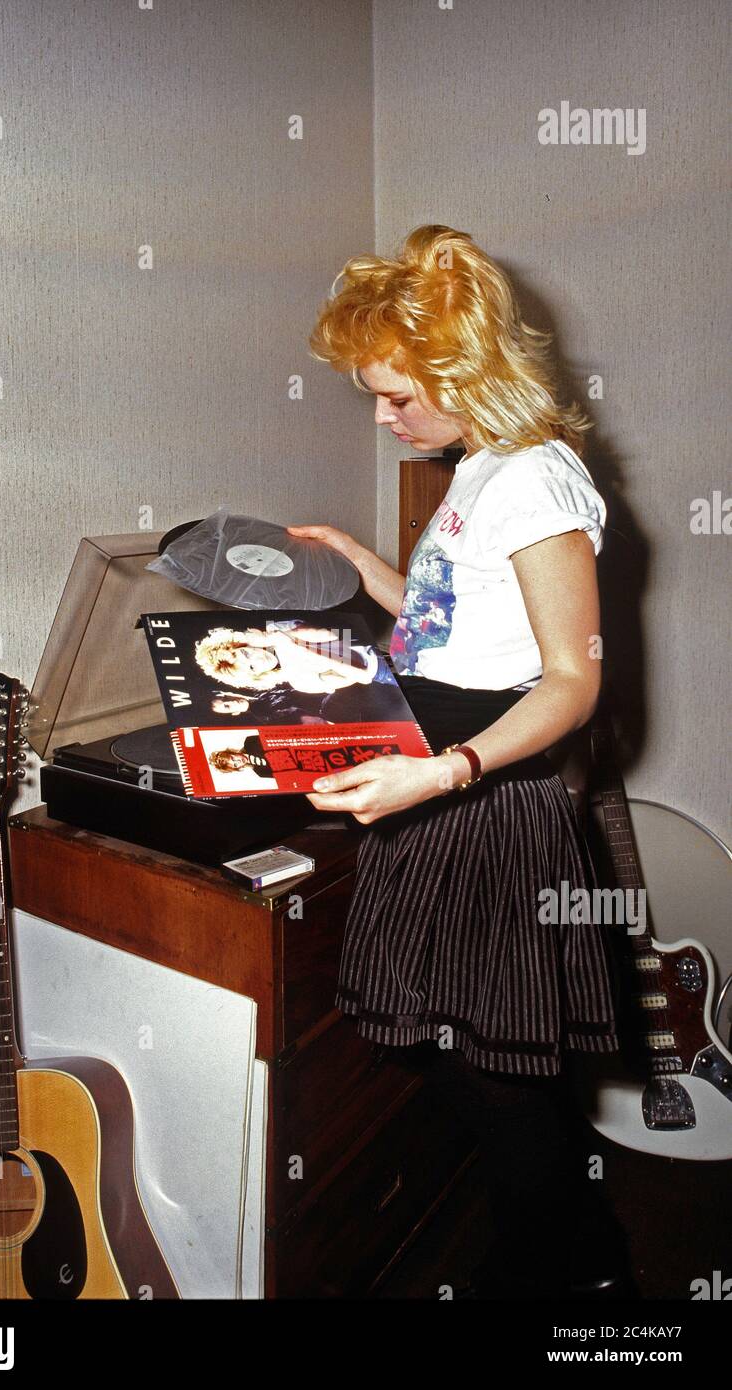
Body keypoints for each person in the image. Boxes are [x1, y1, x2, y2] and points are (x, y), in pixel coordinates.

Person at [288, 223, 632, 1300]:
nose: (384, 418)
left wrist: (441, 774)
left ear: (462, 370)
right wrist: (359, 563)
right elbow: (450, 625)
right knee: (464, 1061)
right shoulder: (477, 466)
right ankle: (563, 1257)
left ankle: (565, 1277)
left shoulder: (535, 481)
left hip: (484, 798)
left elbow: (570, 683)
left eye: (394, 396)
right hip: (433, 785)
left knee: (501, 1077)